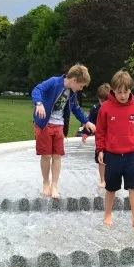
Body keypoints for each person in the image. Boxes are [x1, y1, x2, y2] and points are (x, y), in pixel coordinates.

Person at [32, 64, 96, 199]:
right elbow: (37, 89)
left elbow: (76, 109)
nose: (81, 89)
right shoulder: (54, 82)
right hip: (45, 124)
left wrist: (86, 121)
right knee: (46, 155)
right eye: (81, 86)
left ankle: (54, 186)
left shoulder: (72, 94)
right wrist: (39, 103)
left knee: (57, 156)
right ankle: (46, 183)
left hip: (58, 126)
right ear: (74, 81)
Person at [95, 70, 134, 230]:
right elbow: (101, 131)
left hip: (131, 154)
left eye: (126, 91)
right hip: (113, 154)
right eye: (119, 92)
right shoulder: (105, 108)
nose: (123, 95)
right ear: (113, 90)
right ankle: (108, 214)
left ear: (130, 90)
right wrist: (100, 150)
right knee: (111, 187)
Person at [80, 83, 111, 188]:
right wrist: (85, 132)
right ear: (98, 99)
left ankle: (110, 178)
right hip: (100, 139)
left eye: (106, 101)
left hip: (112, 139)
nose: (103, 103)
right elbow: (90, 122)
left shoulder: (115, 108)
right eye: (101, 101)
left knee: (112, 160)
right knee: (101, 160)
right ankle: (102, 180)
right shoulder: (95, 109)